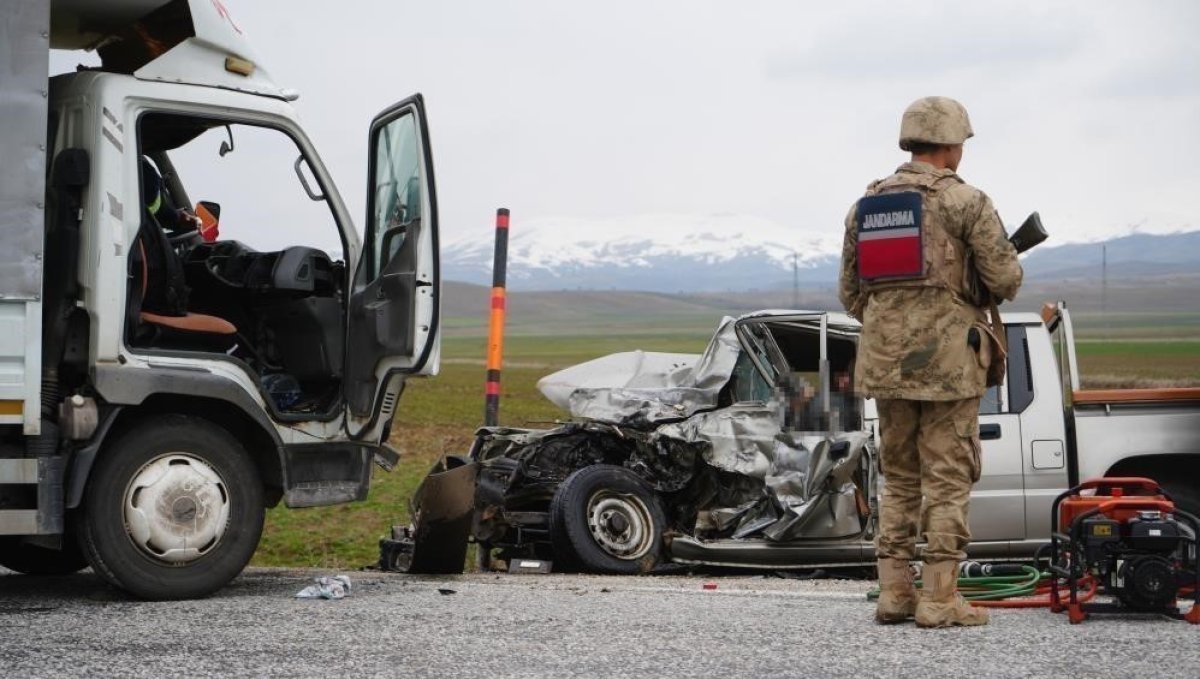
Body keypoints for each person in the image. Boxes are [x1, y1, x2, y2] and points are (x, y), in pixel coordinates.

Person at [838, 96, 1022, 628]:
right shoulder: (965, 202)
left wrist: (898, 319)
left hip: (886, 366)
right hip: (947, 367)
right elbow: (1006, 280)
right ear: (951, 144)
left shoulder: (866, 207)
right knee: (947, 480)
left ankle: (894, 594)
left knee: (897, 479)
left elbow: (851, 294)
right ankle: (940, 600)